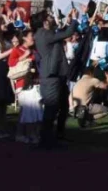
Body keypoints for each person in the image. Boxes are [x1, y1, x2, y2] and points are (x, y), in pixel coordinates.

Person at [34, 9, 78, 148]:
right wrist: (75, 20)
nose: (53, 18)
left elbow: (59, 33)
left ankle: (58, 135)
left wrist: (68, 22)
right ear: (45, 21)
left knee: (63, 106)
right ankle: (45, 140)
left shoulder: (46, 33)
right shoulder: (44, 34)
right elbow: (67, 34)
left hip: (57, 74)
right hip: (51, 75)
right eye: (51, 17)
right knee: (51, 108)